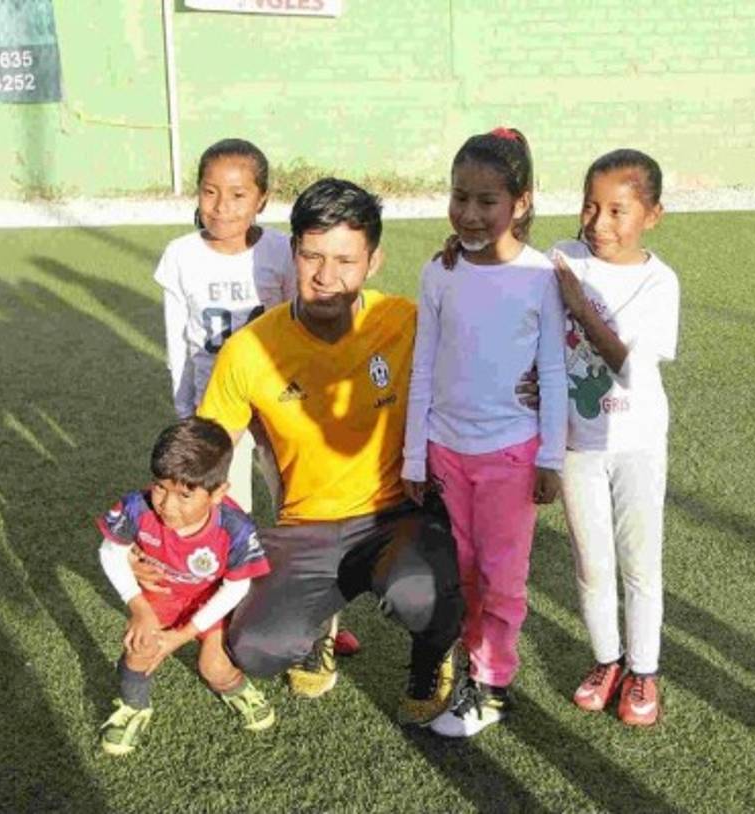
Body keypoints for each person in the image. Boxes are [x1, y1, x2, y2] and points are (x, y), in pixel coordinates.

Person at [178, 177, 466, 726]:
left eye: (344, 260)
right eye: (312, 256)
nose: (326, 277)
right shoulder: (249, 350)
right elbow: (205, 453)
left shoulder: (405, 322)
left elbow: (486, 348)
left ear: (373, 261)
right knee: (257, 650)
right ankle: (317, 624)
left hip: (397, 516)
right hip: (304, 526)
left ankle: (430, 658)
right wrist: (165, 521)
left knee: (421, 594)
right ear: (293, 253)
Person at [401, 127, 567, 738]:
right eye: (459, 197)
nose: (469, 214)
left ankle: (492, 682)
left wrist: (551, 455)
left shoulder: (541, 277)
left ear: (520, 202)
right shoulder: (438, 271)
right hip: (445, 453)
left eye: (486, 201)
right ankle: (462, 662)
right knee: (458, 572)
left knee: (502, 576)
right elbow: (424, 364)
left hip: (511, 457)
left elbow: (550, 367)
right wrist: (414, 457)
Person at [551, 149, 679, 726]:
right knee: (590, 564)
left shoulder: (659, 281)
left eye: (618, 211)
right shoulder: (561, 259)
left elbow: (628, 366)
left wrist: (578, 304)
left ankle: (644, 669)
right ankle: (607, 660)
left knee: (639, 563)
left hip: (637, 442)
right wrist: (459, 252)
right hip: (579, 443)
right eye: (590, 207)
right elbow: (507, 268)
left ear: (652, 215)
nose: (599, 224)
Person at [96, 417, 275, 755]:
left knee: (214, 667)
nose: (166, 504)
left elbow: (235, 589)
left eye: (185, 494)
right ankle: (134, 707)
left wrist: (183, 634)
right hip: (161, 597)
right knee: (140, 647)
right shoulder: (138, 506)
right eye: (160, 487)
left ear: (218, 493)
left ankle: (237, 689)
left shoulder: (236, 529)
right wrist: (138, 607)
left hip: (213, 601)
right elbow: (110, 552)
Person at [153, 138, 294, 514]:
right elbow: (178, 339)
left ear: (262, 199)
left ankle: (300, 568)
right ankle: (235, 572)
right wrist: (186, 409)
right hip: (214, 399)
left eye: (238, 195)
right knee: (226, 506)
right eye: (210, 192)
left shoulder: (281, 250)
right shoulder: (181, 255)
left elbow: (299, 326)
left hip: (273, 396)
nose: (222, 207)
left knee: (293, 493)